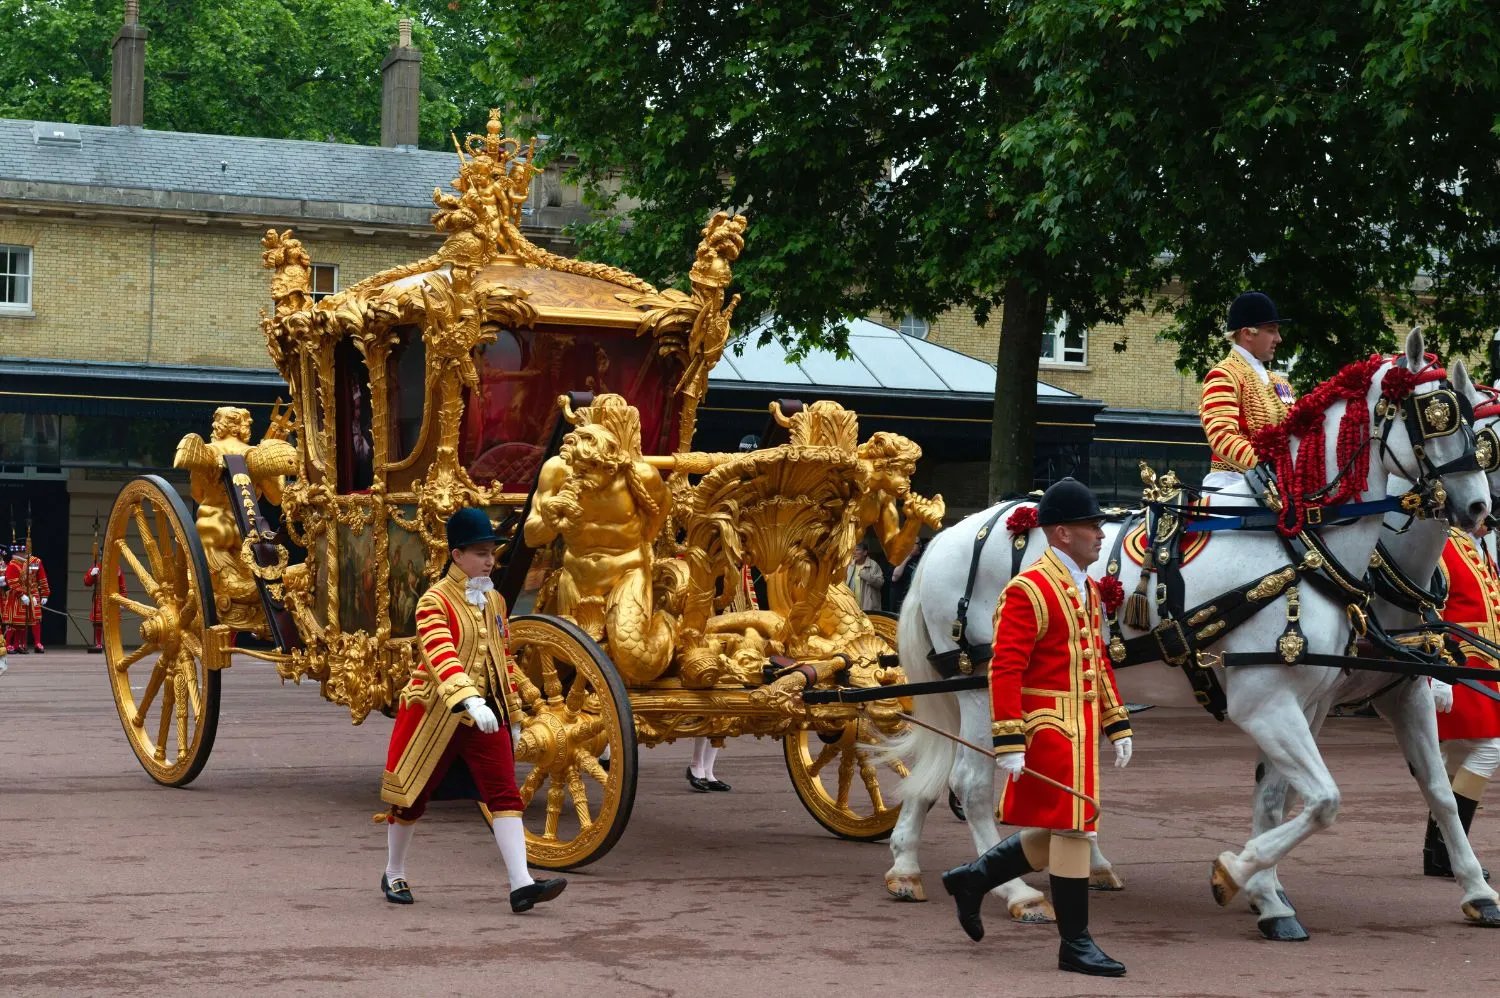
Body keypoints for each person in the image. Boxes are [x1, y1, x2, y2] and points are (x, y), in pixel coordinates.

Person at [940, 477, 1134, 977]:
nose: (1099, 534)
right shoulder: (1030, 589)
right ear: (1062, 532)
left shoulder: (1085, 587)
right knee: (1074, 828)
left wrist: (1117, 722)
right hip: (1048, 727)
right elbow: (1005, 668)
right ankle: (1075, 943)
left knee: (1069, 827)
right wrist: (1008, 738)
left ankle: (973, 878)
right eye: (1092, 526)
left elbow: (1095, 659)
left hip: (1082, 726)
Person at [376, 507, 566, 913]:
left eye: (492, 553)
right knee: (410, 800)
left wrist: (513, 714)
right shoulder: (434, 600)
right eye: (481, 553)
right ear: (457, 555)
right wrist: (468, 698)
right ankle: (394, 870)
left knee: (505, 794)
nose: (489, 561)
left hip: (487, 716)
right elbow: (439, 651)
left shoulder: (494, 600)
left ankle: (521, 884)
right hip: (436, 714)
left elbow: (503, 659)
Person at [1424, 525, 1500, 879]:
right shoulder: (1442, 542)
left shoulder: (1480, 546)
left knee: (1452, 756)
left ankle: (1437, 853)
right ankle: (1448, 850)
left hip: (1484, 664)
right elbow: (1431, 611)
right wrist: (1438, 674)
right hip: (1458, 663)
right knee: (1489, 748)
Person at [1199, 292, 1296, 489]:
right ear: (1247, 333)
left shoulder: (1281, 383)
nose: (1279, 338)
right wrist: (1273, 469)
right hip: (1233, 483)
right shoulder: (1224, 375)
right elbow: (1222, 436)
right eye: (1271, 330)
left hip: (1279, 484)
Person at [4, 545, 49, 654]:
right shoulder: (14, 564)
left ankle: (37, 643)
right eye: (22, 551)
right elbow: (12, 581)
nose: (24, 553)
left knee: (36, 618)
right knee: (17, 621)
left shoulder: (35, 561)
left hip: (33, 593)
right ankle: (15, 644)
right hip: (19, 594)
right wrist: (21, 594)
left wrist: (45, 594)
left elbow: (42, 578)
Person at [84, 560, 126, 653]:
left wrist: (123, 600)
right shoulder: (96, 567)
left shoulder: (116, 568)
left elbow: (121, 584)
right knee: (98, 623)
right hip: (99, 598)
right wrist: (91, 574)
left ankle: (112, 644)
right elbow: (87, 582)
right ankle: (99, 643)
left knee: (112, 623)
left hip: (112, 598)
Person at [845, 542, 883, 613]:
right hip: (852, 608)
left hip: (868, 607)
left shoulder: (873, 565)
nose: (854, 552)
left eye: (857, 550)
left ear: (865, 552)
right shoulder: (850, 565)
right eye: (853, 550)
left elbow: (880, 583)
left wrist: (864, 574)